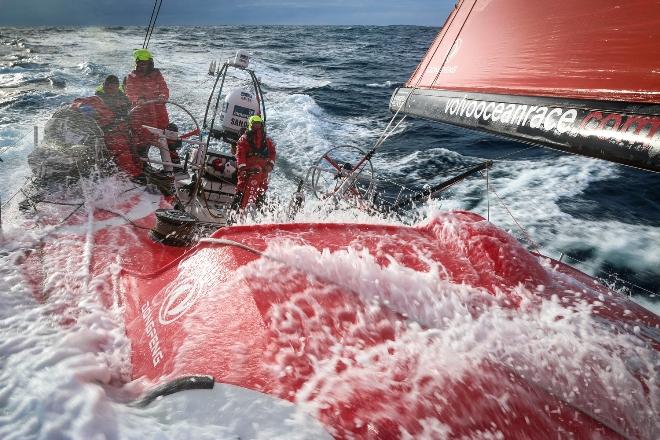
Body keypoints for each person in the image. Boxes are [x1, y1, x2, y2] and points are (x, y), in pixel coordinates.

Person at [70, 75, 141, 176]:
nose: (109, 89)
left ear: (117, 87)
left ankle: (139, 174)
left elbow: (133, 118)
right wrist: (81, 107)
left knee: (139, 148)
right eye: (107, 86)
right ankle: (131, 178)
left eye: (112, 87)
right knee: (124, 156)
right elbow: (77, 102)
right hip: (108, 135)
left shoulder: (125, 100)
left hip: (126, 133)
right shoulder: (97, 99)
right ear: (103, 86)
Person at [124, 49, 170, 157]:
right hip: (141, 114)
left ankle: (174, 165)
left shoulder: (157, 74)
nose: (142, 66)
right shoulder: (131, 77)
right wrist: (138, 99)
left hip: (159, 113)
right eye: (140, 63)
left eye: (145, 63)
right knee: (142, 140)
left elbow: (164, 88)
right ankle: (143, 164)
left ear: (150, 63)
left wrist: (163, 96)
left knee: (167, 138)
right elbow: (129, 92)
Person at [234, 115, 276, 209]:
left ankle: (258, 215)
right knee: (241, 189)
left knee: (261, 191)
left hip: (263, 171)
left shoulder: (267, 140)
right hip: (248, 170)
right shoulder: (244, 139)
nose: (257, 126)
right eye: (255, 124)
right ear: (250, 124)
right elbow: (240, 154)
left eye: (259, 124)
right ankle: (234, 214)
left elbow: (273, 152)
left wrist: (270, 164)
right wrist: (242, 169)